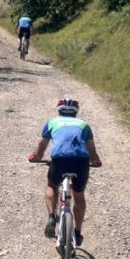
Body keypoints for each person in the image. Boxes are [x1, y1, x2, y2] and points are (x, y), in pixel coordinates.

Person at [28, 98, 102, 246]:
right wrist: (96, 162)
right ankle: (77, 232)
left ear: (59, 110)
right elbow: (92, 152)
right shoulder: (84, 125)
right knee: (79, 196)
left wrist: (34, 157)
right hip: (81, 162)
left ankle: (51, 217)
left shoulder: (52, 123)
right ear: (76, 111)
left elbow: (41, 147)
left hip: (59, 160)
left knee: (52, 186)